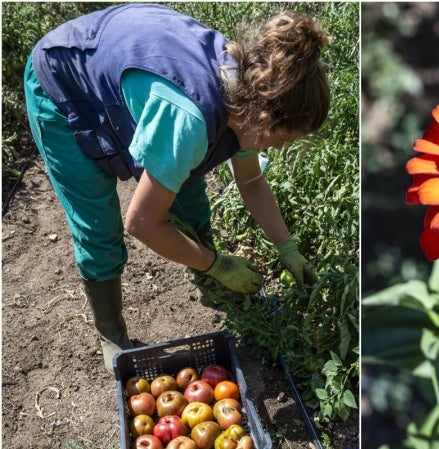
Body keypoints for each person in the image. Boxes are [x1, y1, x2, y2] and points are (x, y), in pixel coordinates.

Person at [24, 3, 329, 373]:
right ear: (264, 117)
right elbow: (141, 224)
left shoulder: (249, 88)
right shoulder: (191, 118)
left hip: (128, 61)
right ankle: (112, 332)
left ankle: (220, 291)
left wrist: (286, 246)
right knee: (98, 228)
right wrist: (217, 264)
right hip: (64, 81)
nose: (279, 148)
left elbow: (250, 179)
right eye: (283, 139)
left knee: (188, 200)